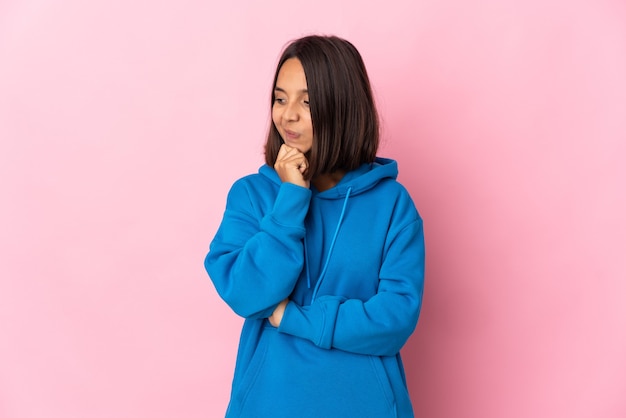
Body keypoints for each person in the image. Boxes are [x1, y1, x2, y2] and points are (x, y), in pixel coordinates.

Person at [204, 35, 425, 418]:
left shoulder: (392, 205)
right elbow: (246, 294)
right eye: (280, 98)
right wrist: (290, 199)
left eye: (306, 101)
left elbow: (394, 319)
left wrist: (294, 318)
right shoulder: (252, 196)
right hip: (269, 406)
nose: (287, 114)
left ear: (341, 107)